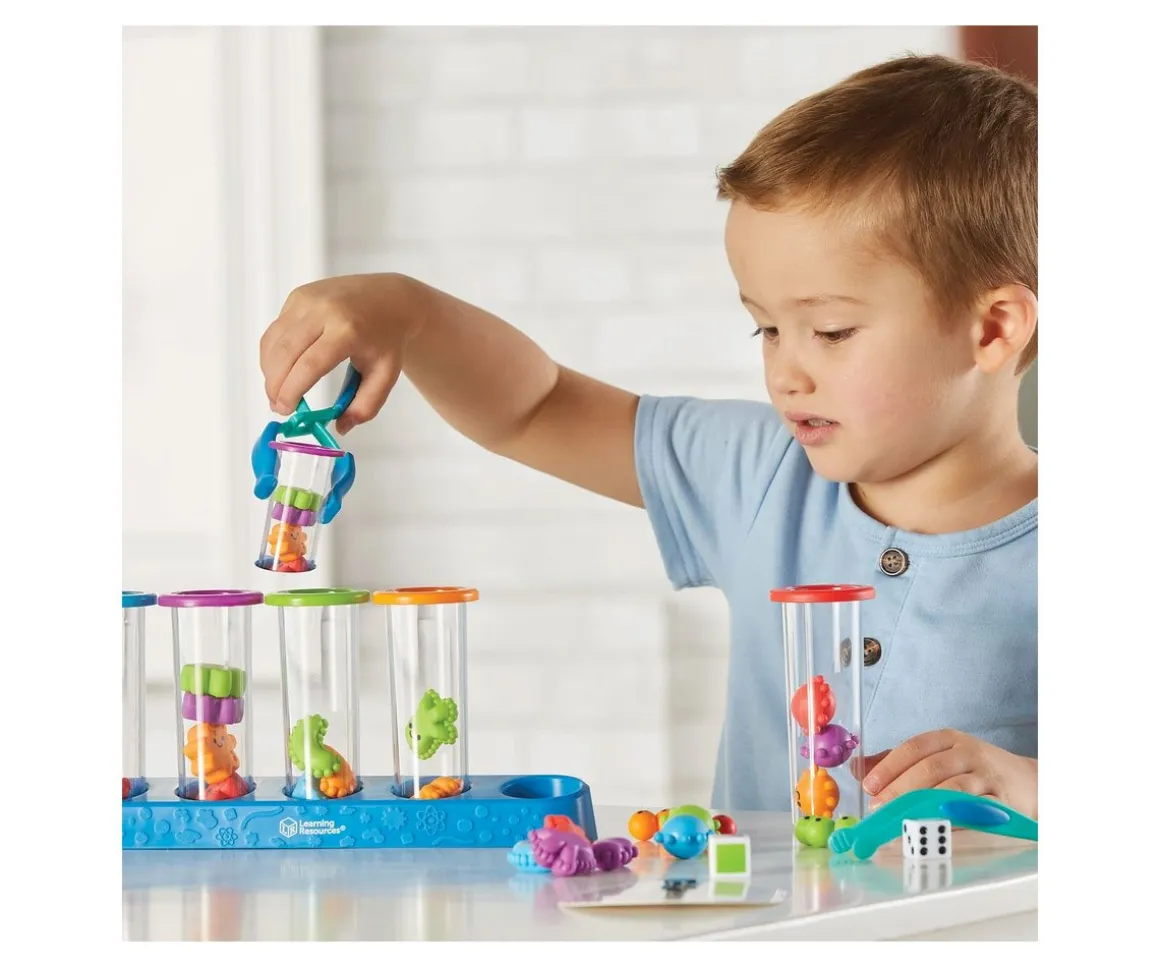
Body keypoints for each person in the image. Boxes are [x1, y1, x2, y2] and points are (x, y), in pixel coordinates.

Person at [258, 53, 1038, 819]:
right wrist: (410, 312)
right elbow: (536, 406)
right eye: (766, 328)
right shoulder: (758, 473)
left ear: (993, 329)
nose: (786, 373)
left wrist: (1035, 786)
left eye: (831, 331)